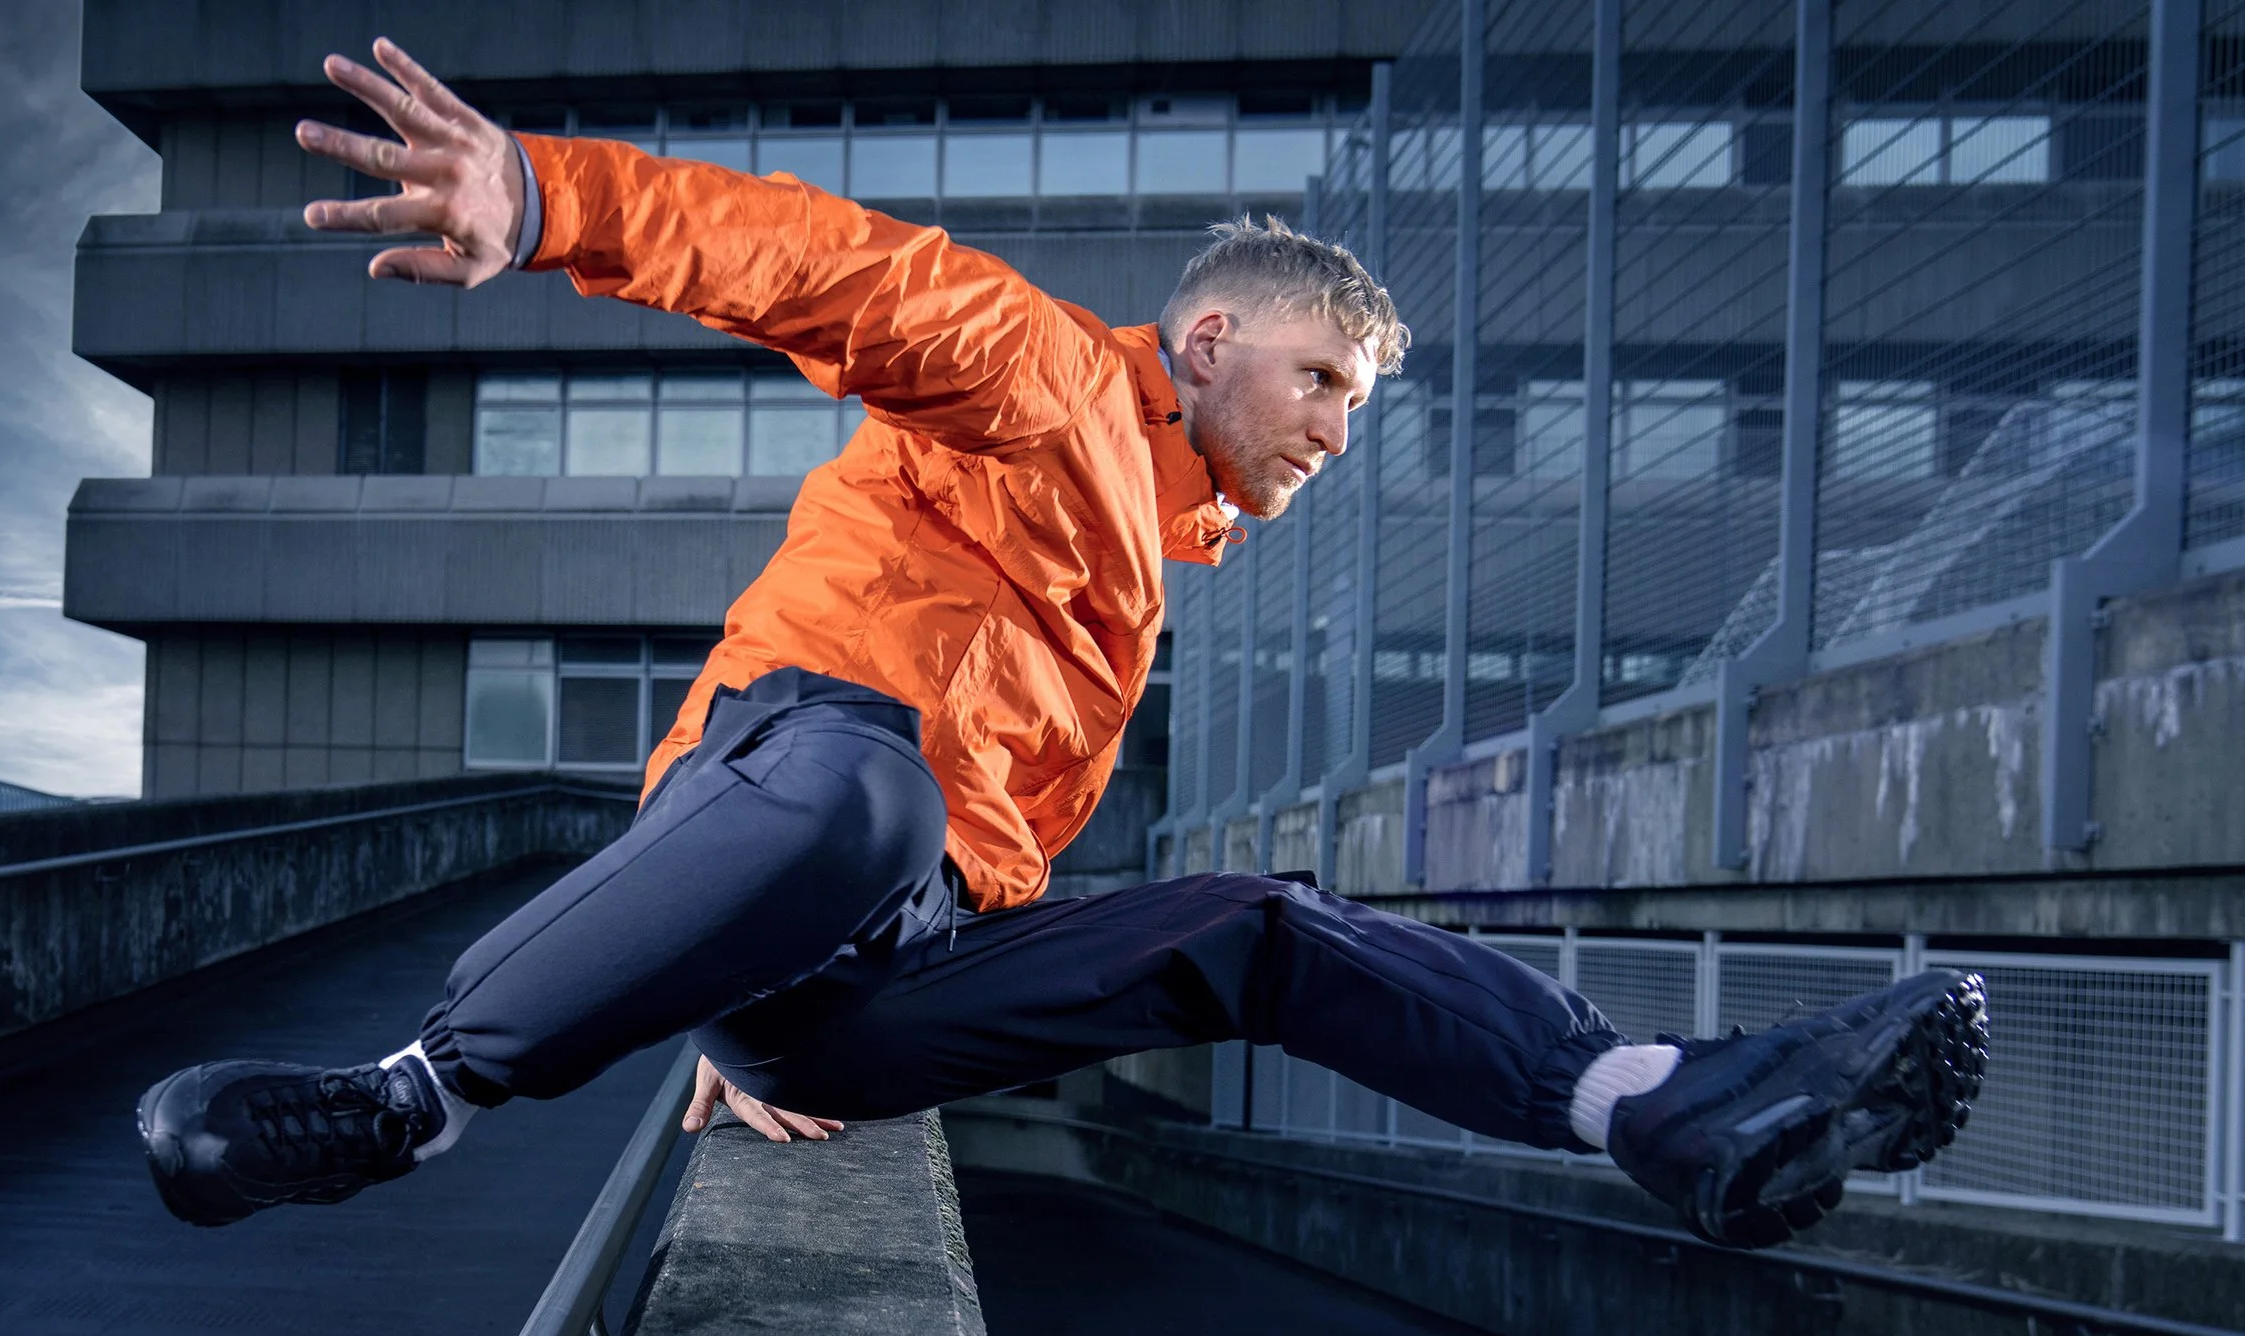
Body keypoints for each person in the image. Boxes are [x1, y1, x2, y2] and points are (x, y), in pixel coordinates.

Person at [136, 40, 1989, 1252]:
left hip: (867, 988)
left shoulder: (1140, 566)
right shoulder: (1040, 383)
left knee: (1254, 924)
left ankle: (1652, 1100)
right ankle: (409, 1097)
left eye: (1359, 402)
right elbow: (836, 268)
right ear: (1203, 343)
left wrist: (745, 1000)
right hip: (801, 799)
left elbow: (996, 862)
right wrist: (548, 202)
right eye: (1320, 379)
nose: (1339, 428)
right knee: (866, 788)